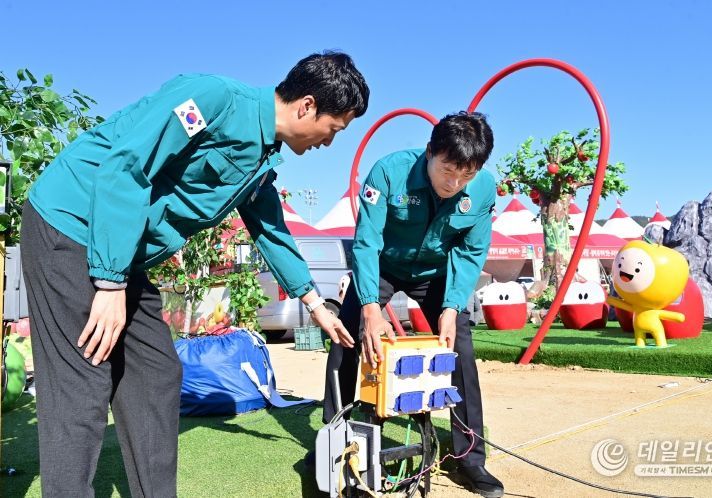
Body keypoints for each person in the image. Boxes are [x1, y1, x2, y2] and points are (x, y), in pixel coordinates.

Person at [20, 51, 367, 497]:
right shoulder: (213, 99)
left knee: (157, 371)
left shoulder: (262, 159)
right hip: (71, 224)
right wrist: (108, 283)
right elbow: (128, 163)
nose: (329, 142)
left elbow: (270, 229)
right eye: (334, 129)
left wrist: (316, 305)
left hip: (121, 251)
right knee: (83, 378)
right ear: (306, 106)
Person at [322, 112, 504, 497]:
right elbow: (367, 242)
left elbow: (472, 252)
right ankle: (333, 445)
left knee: (460, 350)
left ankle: (469, 459)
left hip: (435, 273)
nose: (454, 184)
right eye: (448, 170)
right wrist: (370, 307)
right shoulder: (388, 173)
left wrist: (452, 307)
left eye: (466, 175)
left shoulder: (484, 189)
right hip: (384, 264)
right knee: (347, 339)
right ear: (429, 153)